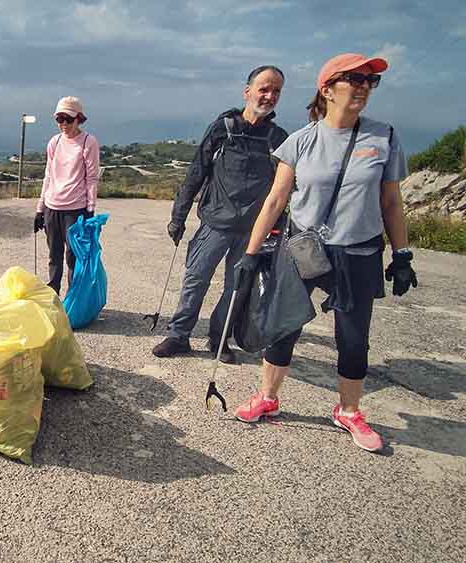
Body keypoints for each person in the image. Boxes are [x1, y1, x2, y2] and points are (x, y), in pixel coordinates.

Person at [233, 53, 416, 453]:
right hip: (303, 247)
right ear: (327, 88)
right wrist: (250, 255)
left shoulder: (382, 137)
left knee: (353, 339)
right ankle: (268, 396)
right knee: (283, 326)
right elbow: (276, 199)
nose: (364, 86)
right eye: (355, 78)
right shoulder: (300, 141)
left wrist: (402, 255)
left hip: (358, 252)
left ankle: (348, 410)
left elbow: (391, 204)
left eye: (370, 81)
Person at [152, 66, 289, 364]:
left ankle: (219, 339)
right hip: (215, 222)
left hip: (253, 229)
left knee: (236, 287)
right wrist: (179, 215)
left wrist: (277, 227)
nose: (269, 96)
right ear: (248, 91)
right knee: (195, 279)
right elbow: (196, 172)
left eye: (276, 91)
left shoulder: (278, 138)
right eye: (264, 89)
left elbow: (284, 189)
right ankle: (179, 335)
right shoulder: (223, 128)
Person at [33, 96, 100, 295]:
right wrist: (39, 209)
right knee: (54, 255)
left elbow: (92, 178)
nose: (63, 124)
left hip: (75, 209)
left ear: (79, 118)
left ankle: (73, 298)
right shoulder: (54, 142)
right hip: (52, 207)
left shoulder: (89, 142)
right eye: (59, 119)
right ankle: (53, 295)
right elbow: (48, 175)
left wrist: (90, 210)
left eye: (68, 119)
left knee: (73, 256)